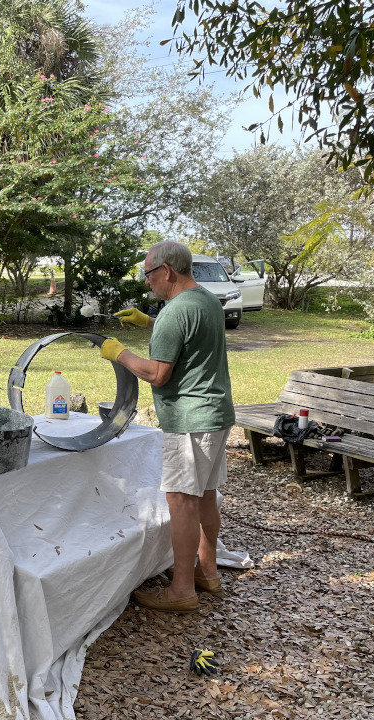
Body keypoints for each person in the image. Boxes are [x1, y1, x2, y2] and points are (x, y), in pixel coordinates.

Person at [100, 240, 235, 612]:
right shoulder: (205, 299)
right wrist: (149, 322)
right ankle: (207, 571)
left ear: (167, 271)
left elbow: (158, 374)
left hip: (190, 420)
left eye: (148, 274)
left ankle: (181, 590)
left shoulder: (176, 312)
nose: (147, 283)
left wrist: (120, 353)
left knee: (181, 502)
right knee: (205, 495)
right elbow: (188, 333)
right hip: (217, 414)